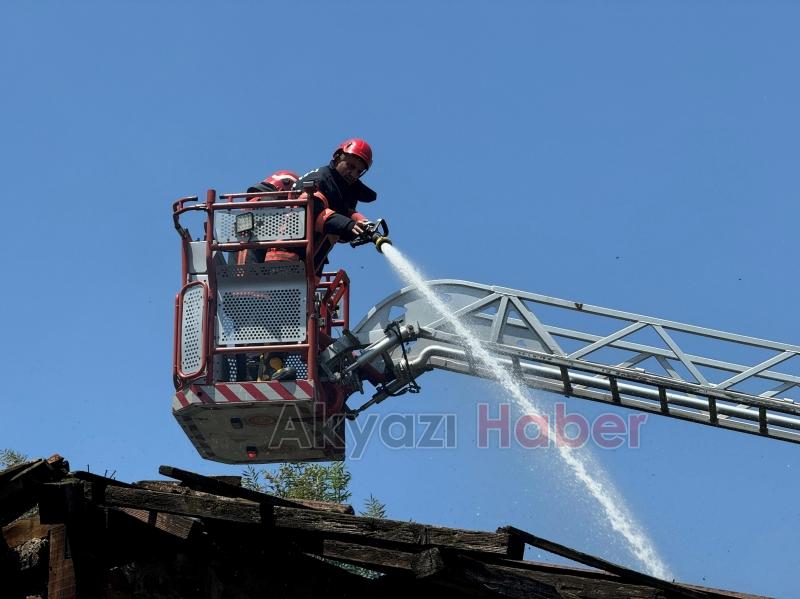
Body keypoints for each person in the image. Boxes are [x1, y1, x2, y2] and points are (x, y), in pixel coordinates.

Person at [292, 138, 377, 271]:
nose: (354, 174)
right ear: (337, 158)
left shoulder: (342, 188)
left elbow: (344, 216)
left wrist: (362, 223)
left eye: (359, 172)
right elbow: (311, 211)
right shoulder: (320, 179)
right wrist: (348, 225)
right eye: (351, 166)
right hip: (288, 256)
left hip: (310, 265)